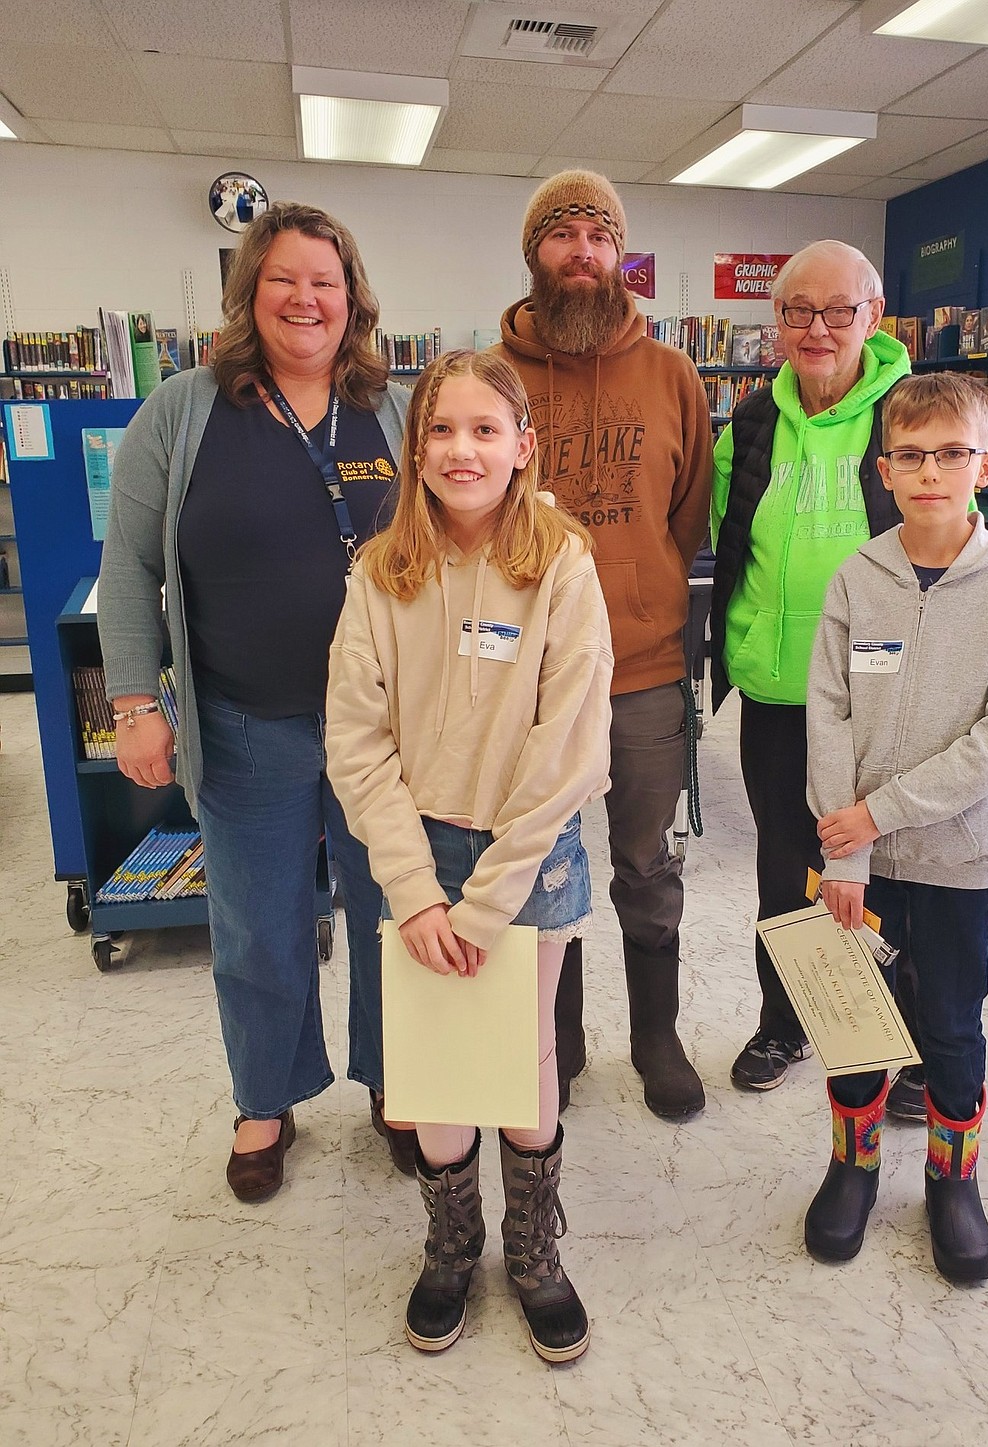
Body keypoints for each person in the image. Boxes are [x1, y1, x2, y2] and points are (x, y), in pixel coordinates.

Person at [97, 201, 417, 1202]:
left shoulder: (396, 408)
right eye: (283, 279)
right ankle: (266, 1098)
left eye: (325, 281)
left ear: (354, 300)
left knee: (391, 913)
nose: (305, 299)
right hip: (243, 724)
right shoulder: (184, 411)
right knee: (256, 925)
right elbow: (130, 563)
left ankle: (396, 1082)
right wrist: (138, 703)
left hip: (383, 731)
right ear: (249, 294)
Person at [325, 349, 612, 1362]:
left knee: (527, 1054)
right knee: (439, 1064)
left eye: (486, 429)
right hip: (416, 850)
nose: (462, 449)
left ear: (523, 445)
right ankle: (453, 1240)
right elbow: (357, 744)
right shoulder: (379, 571)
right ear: (415, 449)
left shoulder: (564, 562)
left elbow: (569, 743)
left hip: (530, 850)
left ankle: (534, 1247)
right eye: (441, 430)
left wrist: (487, 903)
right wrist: (414, 889)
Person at [803, 372, 988, 1282]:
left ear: (985, 462)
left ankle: (953, 1180)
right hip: (856, 863)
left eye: (952, 452)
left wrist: (881, 810)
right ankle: (852, 1166)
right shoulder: (856, 579)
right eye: (911, 455)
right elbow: (825, 712)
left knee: (950, 1024)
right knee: (855, 1023)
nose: (931, 470)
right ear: (886, 468)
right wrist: (854, 844)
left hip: (957, 859)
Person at [498, 170, 712, 1121]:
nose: (582, 250)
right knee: (544, 858)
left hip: (644, 669)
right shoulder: (491, 377)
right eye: (561, 234)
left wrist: (642, 593)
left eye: (599, 234)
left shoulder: (672, 375)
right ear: (534, 254)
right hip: (526, 678)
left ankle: (655, 1035)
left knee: (645, 859)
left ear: (621, 256)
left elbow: (688, 516)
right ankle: (562, 1032)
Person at [710, 239, 911, 1094]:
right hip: (779, 692)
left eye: (839, 311)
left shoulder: (910, 416)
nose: (819, 328)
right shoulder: (751, 421)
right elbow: (729, 538)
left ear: (873, 316)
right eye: (799, 311)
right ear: (777, 322)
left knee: (890, 871)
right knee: (783, 867)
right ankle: (783, 1023)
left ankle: (900, 1035)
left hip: (885, 703)